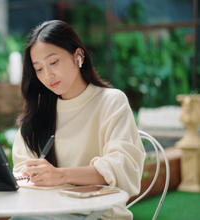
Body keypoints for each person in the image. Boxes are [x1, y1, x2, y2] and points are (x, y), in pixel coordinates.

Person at [11, 20, 146, 220]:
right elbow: (22, 170)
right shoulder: (39, 112)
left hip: (98, 214)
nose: (48, 75)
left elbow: (122, 167)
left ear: (78, 56)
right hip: (46, 211)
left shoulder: (110, 102)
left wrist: (60, 175)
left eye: (53, 62)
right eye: (38, 69)